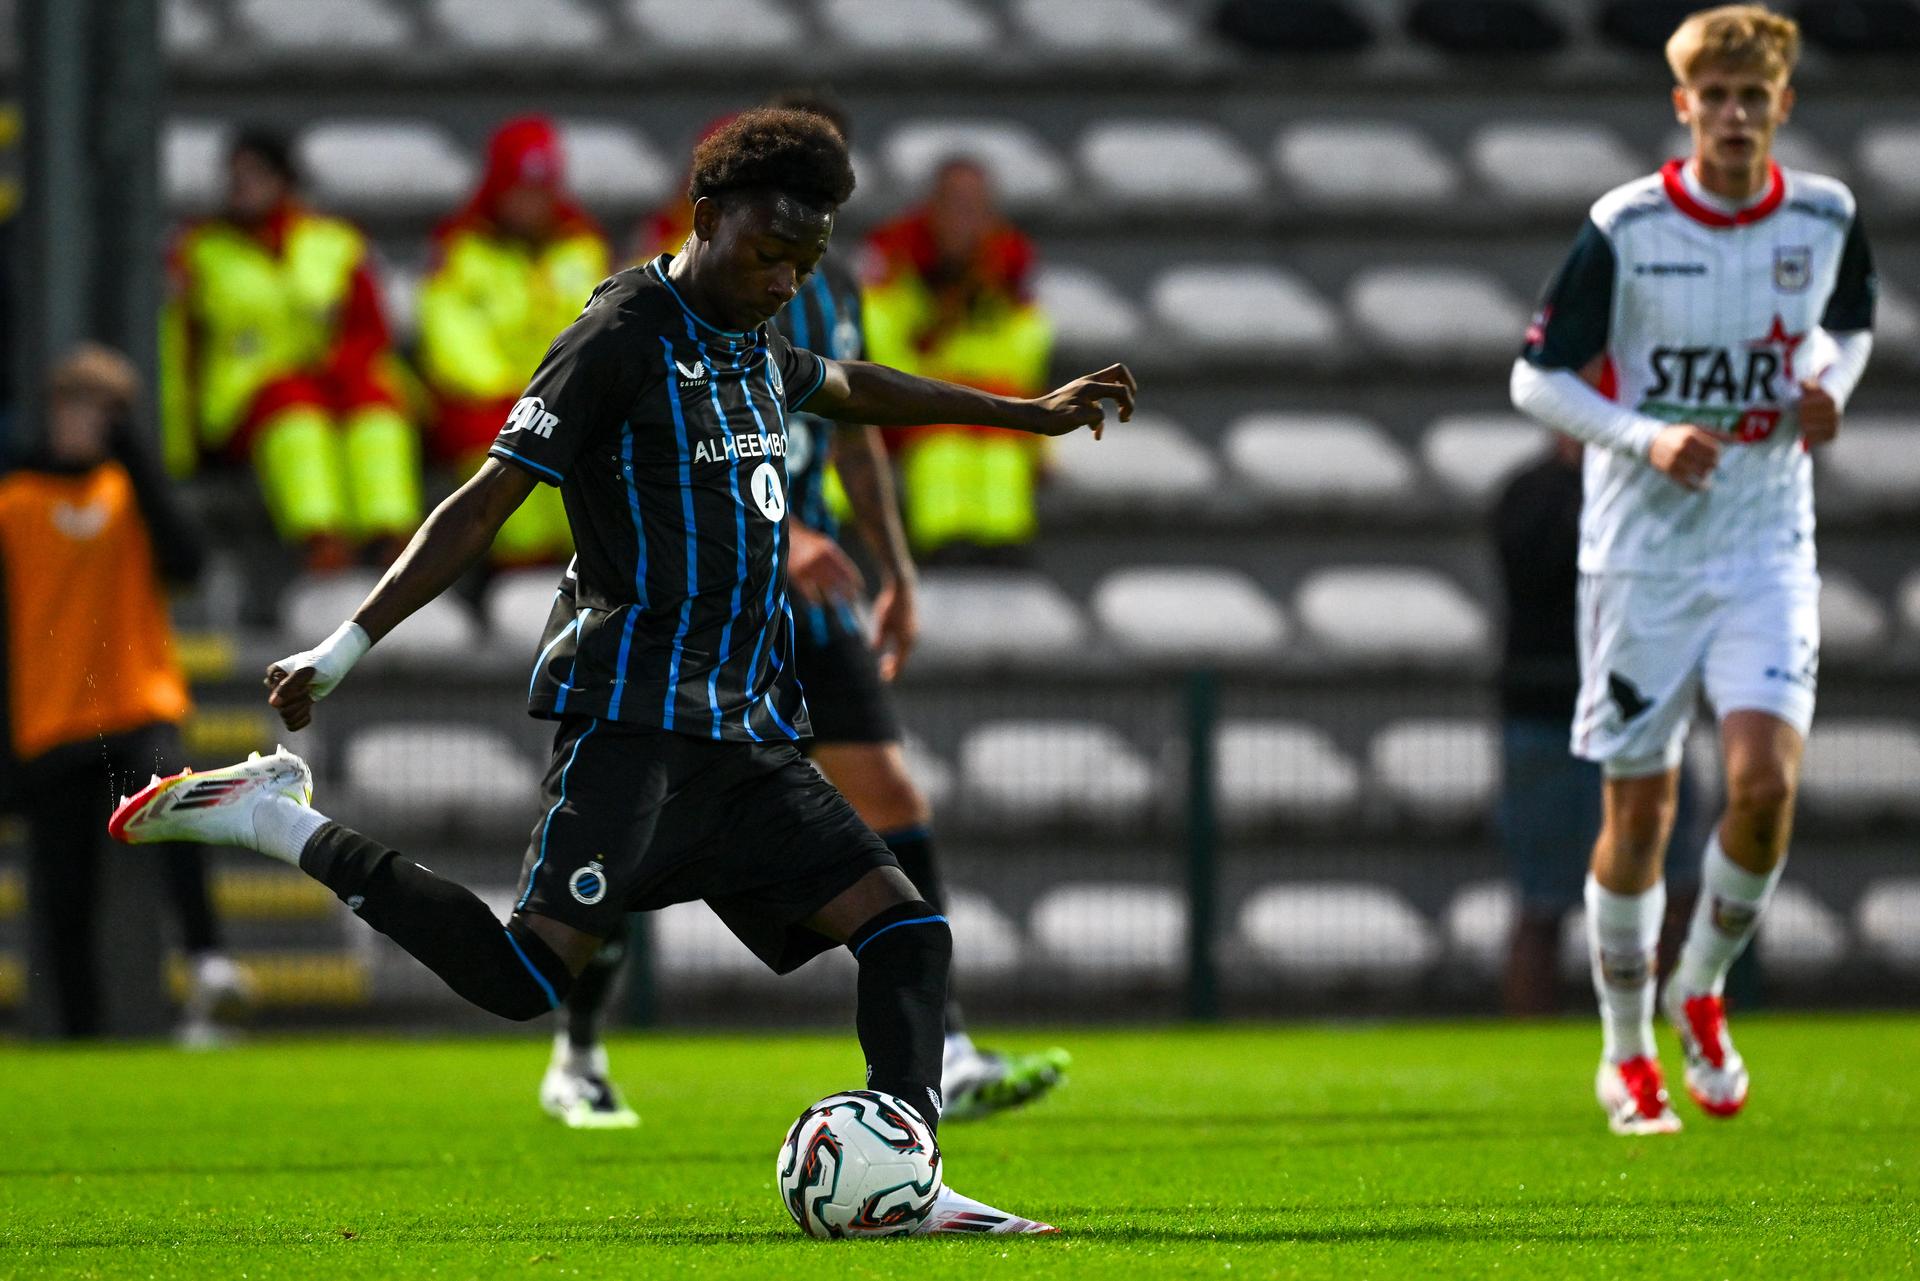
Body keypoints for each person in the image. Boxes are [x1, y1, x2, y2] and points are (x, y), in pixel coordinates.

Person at [112, 109, 1134, 1233]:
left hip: (745, 738)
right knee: (525, 981)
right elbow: (485, 499)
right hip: (633, 725)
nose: (785, 279)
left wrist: (1024, 416)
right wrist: (345, 644)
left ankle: (905, 1176)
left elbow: (851, 386)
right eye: (767, 254)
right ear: (707, 220)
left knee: (907, 934)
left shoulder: (753, 334)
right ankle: (277, 821)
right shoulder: (623, 332)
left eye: (805, 261)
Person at [539, 94, 1069, 1130]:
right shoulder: (670, 298)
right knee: (641, 829)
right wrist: (777, 539)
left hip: (814, 589)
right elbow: (658, 456)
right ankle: (581, 1045)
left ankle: (942, 1043)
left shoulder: (823, 290)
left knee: (892, 794)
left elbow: (856, 421)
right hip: (709, 586)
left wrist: (898, 567)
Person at [1510, 3, 1875, 1134]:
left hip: (1767, 542)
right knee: (1640, 816)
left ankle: (1700, 987)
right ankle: (1624, 1055)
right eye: (1711, 97)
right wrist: (1647, 435)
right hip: (1643, 556)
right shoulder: (1623, 224)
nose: (1730, 113)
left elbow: (1849, 325)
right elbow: (1535, 379)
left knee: (1766, 788)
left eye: (1749, 96)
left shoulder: (1824, 216)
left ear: (1780, 107)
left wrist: (1833, 388)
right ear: (1683, 107)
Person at [1, 345, 249, 1043]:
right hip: (49, 721)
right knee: (64, 896)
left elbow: (187, 561)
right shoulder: (16, 501)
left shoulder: (128, 492)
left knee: (180, 821)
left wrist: (135, 457)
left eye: (104, 411)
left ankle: (209, 966)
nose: (84, 423)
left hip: (136, 703)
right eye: (76, 407)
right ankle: (83, 1037)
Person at [161, 129, 422, 572]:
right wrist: (179, 448)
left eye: (255, 174)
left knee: (376, 408)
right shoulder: (200, 250)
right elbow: (178, 347)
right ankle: (320, 537)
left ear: (284, 179)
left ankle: (392, 533)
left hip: (331, 380)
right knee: (294, 413)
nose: (242, 185)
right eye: (234, 175)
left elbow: (368, 328)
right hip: (243, 395)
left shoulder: (334, 242)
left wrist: (341, 366)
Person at [417, 116, 610, 570]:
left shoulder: (583, 247)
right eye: (520, 191)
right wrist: (521, 395)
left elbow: (601, 329)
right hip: (490, 406)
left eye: (542, 192)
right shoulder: (461, 251)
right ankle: (518, 574)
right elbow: (451, 338)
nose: (532, 204)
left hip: (566, 404)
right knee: (508, 473)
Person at [861, 158, 1054, 565]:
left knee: (1003, 451)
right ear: (931, 207)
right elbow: (878, 337)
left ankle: (1006, 547)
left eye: (975, 208)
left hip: (985, 403)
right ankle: (941, 544)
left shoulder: (1008, 266)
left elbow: (1025, 348)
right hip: (918, 406)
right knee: (942, 447)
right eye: (953, 205)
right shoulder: (896, 258)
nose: (963, 220)